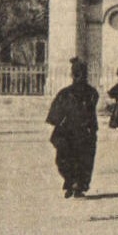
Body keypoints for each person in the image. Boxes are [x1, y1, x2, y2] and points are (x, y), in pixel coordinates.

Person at [46, 58, 100, 198]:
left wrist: (58, 121)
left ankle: (72, 183)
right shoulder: (92, 93)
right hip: (84, 131)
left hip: (71, 131)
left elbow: (54, 116)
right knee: (82, 159)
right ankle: (76, 184)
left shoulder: (65, 93)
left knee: (67, 158)